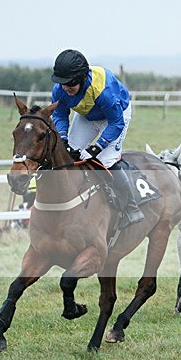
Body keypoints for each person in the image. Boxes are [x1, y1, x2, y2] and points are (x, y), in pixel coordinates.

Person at [50, 49, 145, 227]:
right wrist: (62, 138)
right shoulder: (59, 90)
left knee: (105, 161)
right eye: (62, 83)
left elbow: (116, 123)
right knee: (69, 155)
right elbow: (60, 115)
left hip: (116, 116)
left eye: (70, 83)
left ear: (81, 78)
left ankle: (131, 207)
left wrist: (96, 148)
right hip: (88, 115)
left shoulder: (102, 90)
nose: (65, 87)